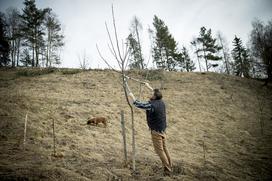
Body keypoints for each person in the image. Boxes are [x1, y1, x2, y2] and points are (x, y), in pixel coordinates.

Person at [128, 83, 172, 176]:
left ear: (154, 97)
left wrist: (132, 97)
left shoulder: (151, 105)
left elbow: (140, 105)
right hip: (162, 129)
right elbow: (156, 93)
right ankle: (169, 166)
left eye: (152, 94)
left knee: (159, 151)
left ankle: (168, 170)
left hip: (156, 131)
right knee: (164, 149)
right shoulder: (161, 101)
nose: (150, 94)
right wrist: (148, 86)